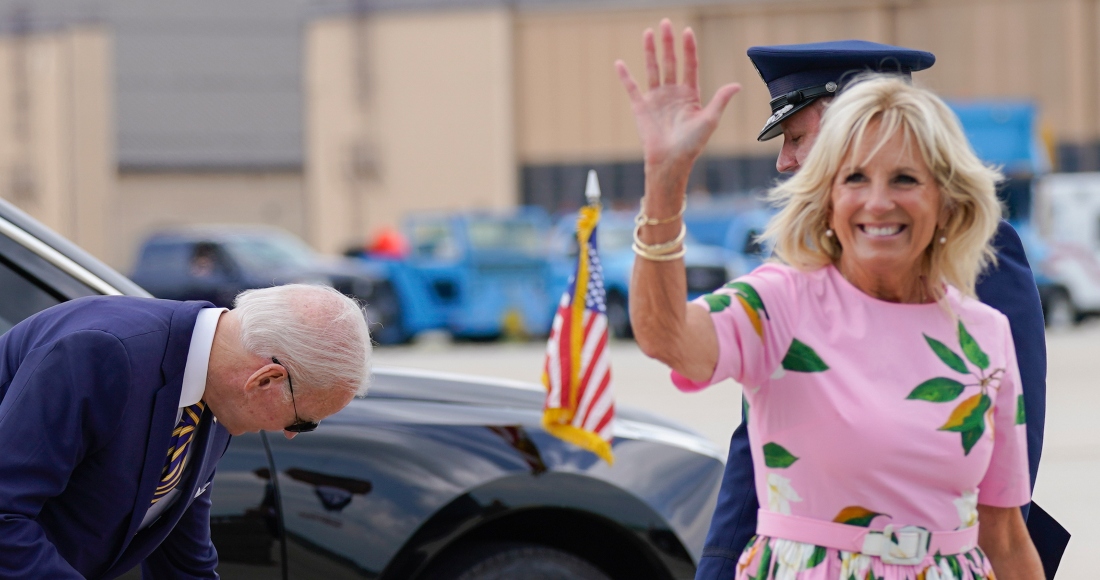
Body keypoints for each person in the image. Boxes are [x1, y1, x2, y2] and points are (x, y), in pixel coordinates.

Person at [616, 21, 1067, 579]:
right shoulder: (782, 294)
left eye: (796, 137)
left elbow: (1005, 511)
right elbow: (736, 424)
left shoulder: (984, 309)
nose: (879, 201)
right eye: (856, 177)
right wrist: (663, 184)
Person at [0, 283, 372, 578]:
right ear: (265, 381)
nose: (290, 434)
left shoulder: (217, 389)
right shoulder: (102, 351)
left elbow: (183, 557)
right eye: (301, 421)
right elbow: (5, 514)